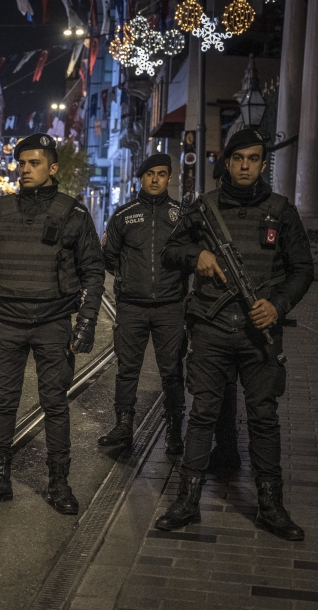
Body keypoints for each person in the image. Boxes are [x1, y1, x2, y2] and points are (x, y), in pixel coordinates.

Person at [155, 128, 314, 540]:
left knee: (263, 417)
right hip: (210, 329)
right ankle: (187, 500)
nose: (245, 166)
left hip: (259, 333)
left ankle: (270, 505)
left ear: (263, 164)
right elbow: (170, 253)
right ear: (227, 161)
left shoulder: (281, 211)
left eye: (254, 159)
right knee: (202, 413)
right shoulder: (203, 208)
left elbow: (302, 270)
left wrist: (278, 305)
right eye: (238, 158)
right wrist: (198, 255)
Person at [0, 133, 105, 515]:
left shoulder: (73, 213)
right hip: (7, 320)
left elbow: (93, 272)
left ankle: (59, 483)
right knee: (2, 402)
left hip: (53, 321)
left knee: (55, 403)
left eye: (34, 163)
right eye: (22, 163)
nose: (25, 169)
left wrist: (86, 324)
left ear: (52, 168)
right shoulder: (0, 211)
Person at [98, 154, 188, 454]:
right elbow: (109, 256)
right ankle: (123, 426)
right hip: (132, 307)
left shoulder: (181, 215)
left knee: (173, 371)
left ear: (169, 178)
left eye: (161, 174)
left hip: (170, 306)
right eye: (150, 174)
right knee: (127, 370)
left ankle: (175, 430)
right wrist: (127, 279)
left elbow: (190, 257)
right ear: (141, 177)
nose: (155, 179)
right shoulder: (124, 215)